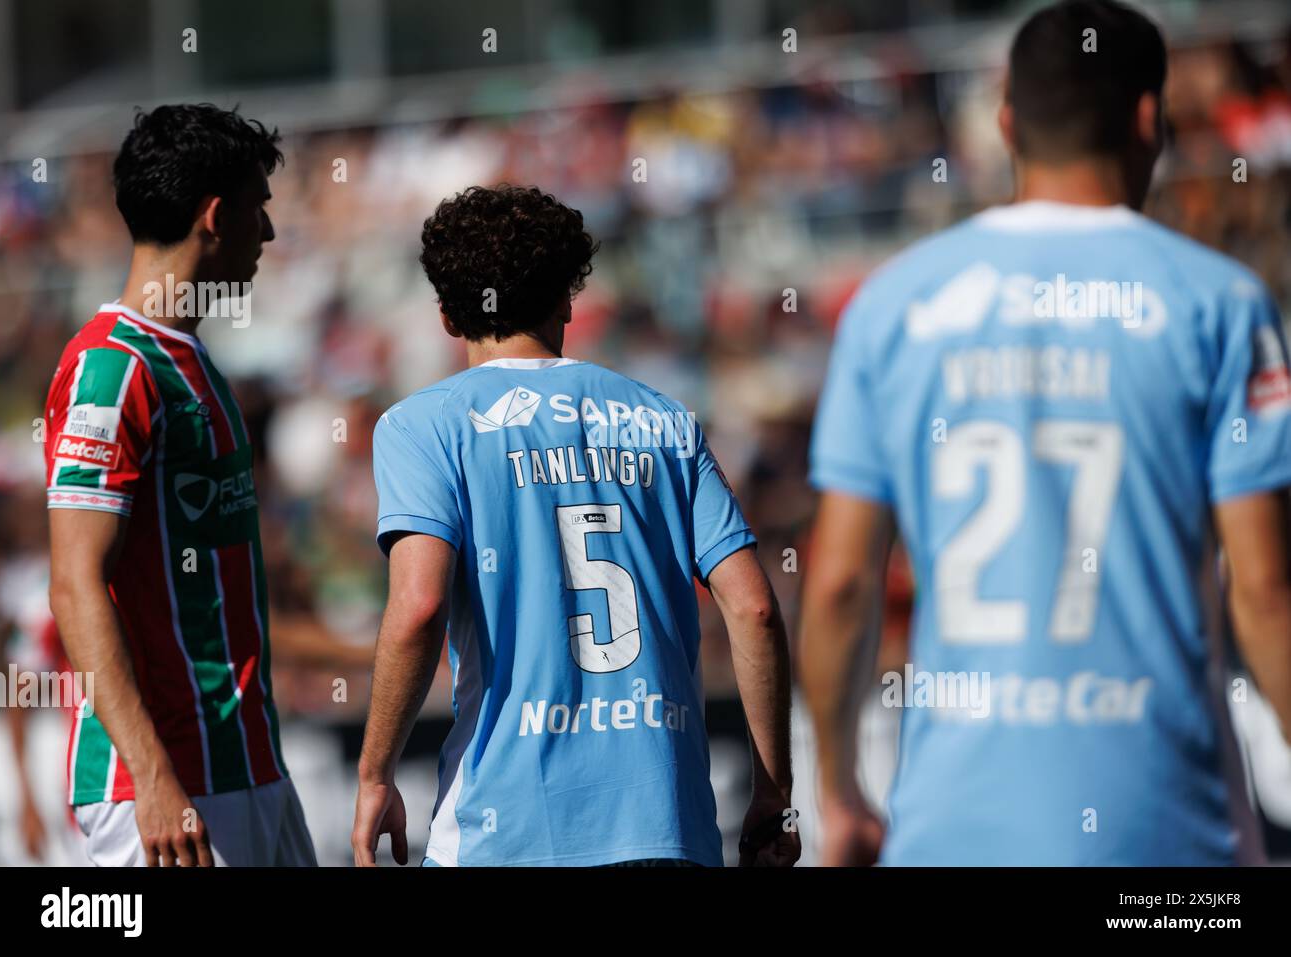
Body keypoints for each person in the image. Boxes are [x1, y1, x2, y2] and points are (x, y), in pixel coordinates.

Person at [800, 0, 1291, 865]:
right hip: (1166, 828)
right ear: (1150, 119)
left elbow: (839, 582)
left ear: (1005, 123)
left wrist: (837, 793)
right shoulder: (1219, 302)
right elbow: (1264, 592)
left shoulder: (893, 303)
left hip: (953, 828)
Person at [352, 184, 798, 867]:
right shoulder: (663, 420)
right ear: (568, 299)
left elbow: (418, 607)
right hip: (667, 824)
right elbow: (756, 607)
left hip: (507, 829)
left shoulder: (423, 424)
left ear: (446, 314)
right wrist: (775, 791)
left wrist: (376, 772)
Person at [44, 104, 316, 866]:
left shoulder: (195, 360)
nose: (266, 234)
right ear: (216, 214)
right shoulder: (112, 366)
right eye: (259, 207)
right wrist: (153, 775)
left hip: (251, 769)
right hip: (169, 794)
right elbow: (74, 584)